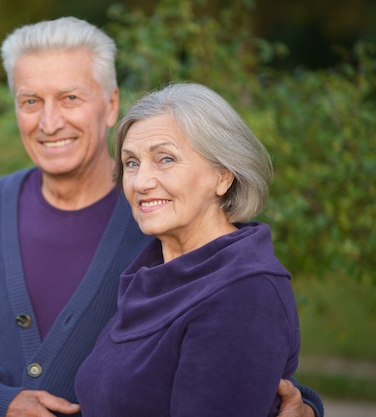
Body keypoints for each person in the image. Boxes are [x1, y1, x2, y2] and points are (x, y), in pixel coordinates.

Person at [0, 17, 324, 417]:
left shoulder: (157, 219)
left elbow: (237, 338)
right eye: (30, 101)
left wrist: (301, 405)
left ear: (111, 104)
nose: (49, 122)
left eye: (70, 97)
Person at [74, 82, 307, 417]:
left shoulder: (243, 292)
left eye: (165, 159)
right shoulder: (151, 274)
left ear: (223, 176)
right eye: (131, 163)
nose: (141, 182)